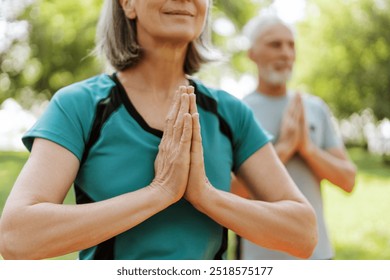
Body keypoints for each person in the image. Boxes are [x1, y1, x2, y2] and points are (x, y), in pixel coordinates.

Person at [0, 0, 317, 260]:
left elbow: (303, 234)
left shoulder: (230, 113)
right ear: (128, 4)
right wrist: (160, 191)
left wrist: (205, 195)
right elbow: (16, 237)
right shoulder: (79, 106)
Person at [232, 13, 356, 260]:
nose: (286, 53)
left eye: (291, 45)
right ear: (252, 54)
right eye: (275, 44)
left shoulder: (315, 108)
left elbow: (348, 180)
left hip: (317, 256)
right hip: (258, 260)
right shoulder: (236, 111)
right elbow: (228, 193)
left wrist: (308, 149)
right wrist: (284, 149)